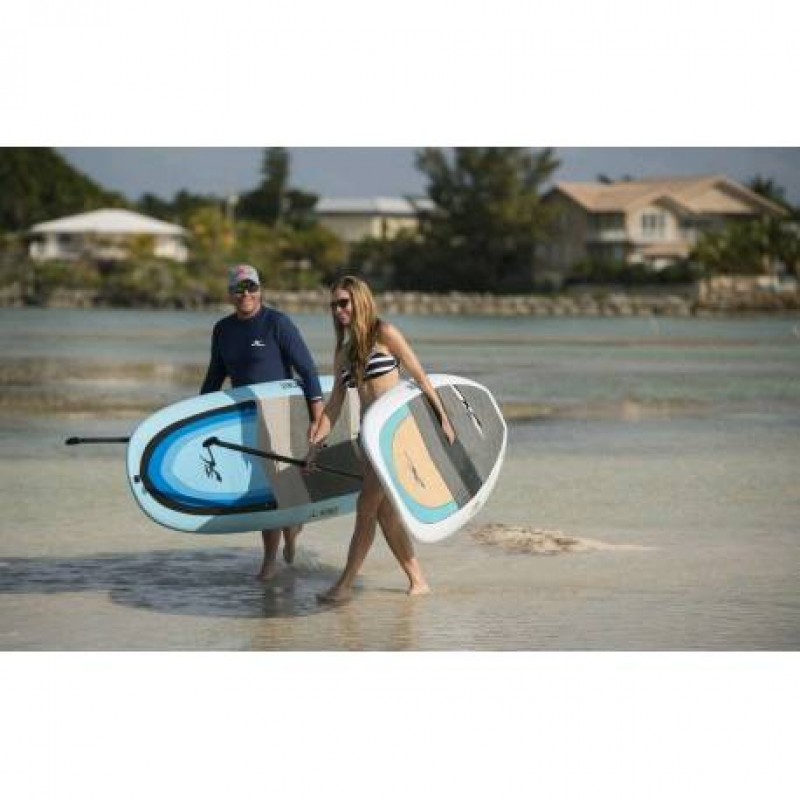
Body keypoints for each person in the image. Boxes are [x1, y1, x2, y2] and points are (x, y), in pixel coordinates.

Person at [306, 275, 455, 603]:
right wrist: (315, 446)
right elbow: (335, 404)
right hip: (369, 441)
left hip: (395, 438)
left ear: (360, 301)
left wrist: (443, 418)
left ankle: (344, 586)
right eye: (333, 305)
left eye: (343, 303)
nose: (338, 310)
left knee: (365, 508)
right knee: (385, 515)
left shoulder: (385, 333)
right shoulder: (345, 351)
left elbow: (419, 375)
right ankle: (418, 581)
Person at [200, 264, 324, 580]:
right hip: (247, 419)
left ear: (260, 290)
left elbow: (307, 370)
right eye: (239, 289)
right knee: (263, 488)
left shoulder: (277, 323)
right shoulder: (223, 329)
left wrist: (317, 417)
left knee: (282, 485)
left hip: (283, 415)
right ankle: (271, 559)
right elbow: (215, 375)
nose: (246, 294)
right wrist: (196, 418)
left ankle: (290, 535)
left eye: (251, 287)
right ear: (230, 294)